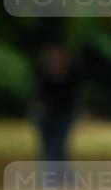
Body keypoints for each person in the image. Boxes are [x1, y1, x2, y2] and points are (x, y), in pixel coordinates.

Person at [29, 43, 80, 175]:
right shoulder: (41, 73)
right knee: (48, 146)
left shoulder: (71, 74)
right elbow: (37, 94)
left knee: (59, 145)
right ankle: (51, 175)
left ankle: (60, 174)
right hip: (45, 115)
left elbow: (72, 96)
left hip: (64, 115)